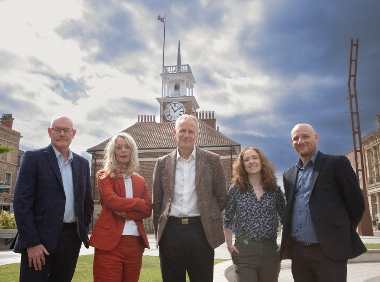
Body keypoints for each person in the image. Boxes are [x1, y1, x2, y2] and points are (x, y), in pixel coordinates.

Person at [280, 123, 367, 282]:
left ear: (316, 137)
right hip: (298, 253)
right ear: (291, 142)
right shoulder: (288, 174)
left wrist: (338, 230)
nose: (301, 141)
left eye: (305, 136)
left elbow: (356, 204)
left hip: (329, 251)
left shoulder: (336, 163)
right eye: (296, 138)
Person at [12, 116, 94, 282]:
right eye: (57, 129)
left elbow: (87, 203)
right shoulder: (33, 158)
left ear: (74, 133)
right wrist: (31, 243)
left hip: (70, 240)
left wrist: (81, 231)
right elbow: (21, 203)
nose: (62, 133)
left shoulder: (82, 163)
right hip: (38, 240)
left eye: (67, 130)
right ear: (50, 132)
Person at [153, 114, 227, 282]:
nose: (186, 135)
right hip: (170, 231)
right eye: (182, 130)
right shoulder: (162, 163)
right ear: (175, 133)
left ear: (197, 135)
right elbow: (157, 202)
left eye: (191, 131)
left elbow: (222, 197)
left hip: (201, 231)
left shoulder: (212, 160)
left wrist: (208, 215)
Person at [89, 132, 152, 282]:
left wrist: (127, 214)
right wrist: (138, 203)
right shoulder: (104, 176)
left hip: (135, 244)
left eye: (127, 147)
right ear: (113, 152)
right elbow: (113, 202)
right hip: (109, 244)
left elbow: (148, 209)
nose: (123, 150)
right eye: (119, 147)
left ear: (132, 151)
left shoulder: (140, 180)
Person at [223, 146, 286, 282]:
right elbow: (227, 218)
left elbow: (285, 217)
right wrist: (228, 243)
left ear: (261, 161)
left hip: (270, 250)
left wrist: (284, 240)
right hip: (244, 250)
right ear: (242, 165)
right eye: (246, 159)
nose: (251, 162)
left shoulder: (274, 190)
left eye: (254, 158)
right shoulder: (235, 190)